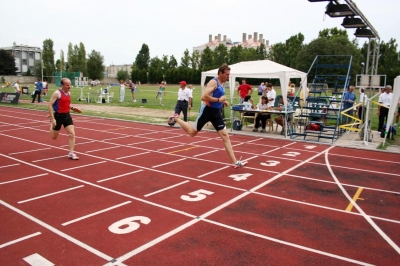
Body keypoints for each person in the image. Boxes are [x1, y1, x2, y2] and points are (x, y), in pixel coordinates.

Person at [167, 64, 247, 168]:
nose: (228, 76)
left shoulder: (222, 83)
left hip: (216, 113)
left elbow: (216, 96)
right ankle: (176, 118)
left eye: (229, 75)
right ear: (220, 73)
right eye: (227, 74)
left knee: (225, 136)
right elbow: (204, 97)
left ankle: (235, 162)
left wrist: (223, 102)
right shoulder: (214, 82)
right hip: (207, 111)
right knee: (192, 133)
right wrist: (219, 100)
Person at [47, 78, 79, 160]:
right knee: (54, 137)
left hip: (67, 115)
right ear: (62, 85)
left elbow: (66, 103)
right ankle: (51, 124)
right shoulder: (57, 93)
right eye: (67, 85)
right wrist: (53, 118)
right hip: (58, 116)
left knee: (72, 134)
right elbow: (50, 105)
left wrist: (72, 108)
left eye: (70, 84)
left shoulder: (69, 93)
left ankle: (71, 153)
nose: (69, 86)